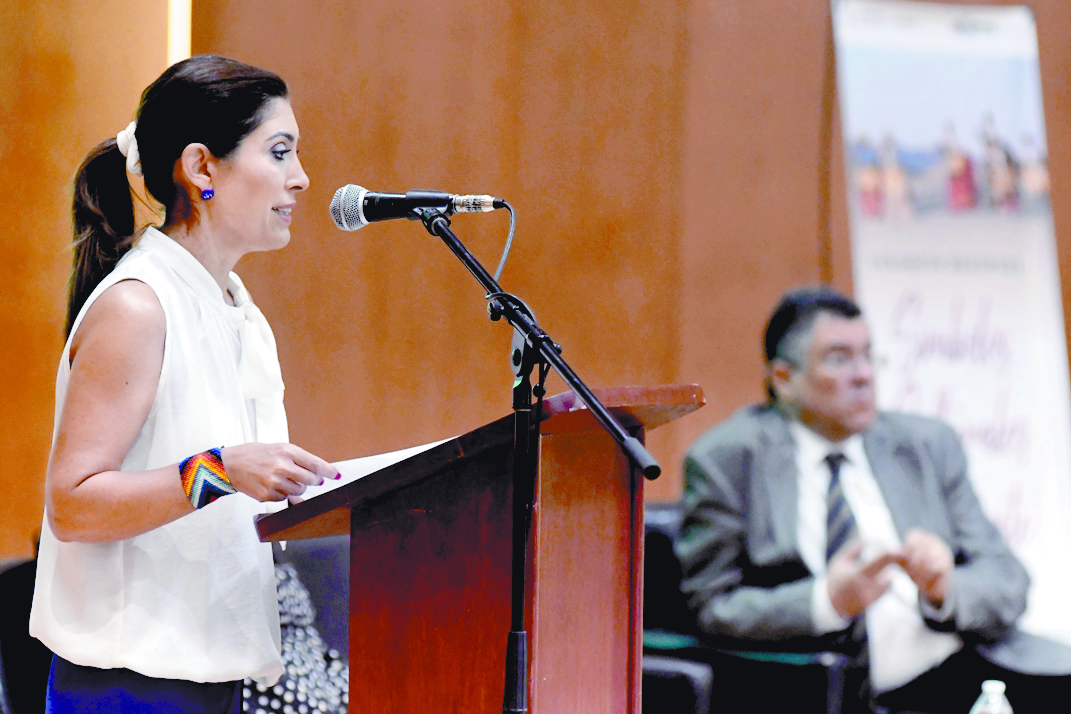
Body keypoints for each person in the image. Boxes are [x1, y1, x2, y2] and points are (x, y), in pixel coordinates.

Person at [29, 55, 340, 714]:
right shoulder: (139, 305)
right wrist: (220, 470)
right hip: (128, 686)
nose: (301, 177)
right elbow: (73, 505)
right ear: (201, 168)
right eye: (278, 152)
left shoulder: (232, 304)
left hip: (210, 676)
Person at [675, 286, 1071, 714]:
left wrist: (944, 589)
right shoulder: (728, 460)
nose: (864, 374)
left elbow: (1007, 580)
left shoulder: (925, 445)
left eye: (868, 355)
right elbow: (712, 607)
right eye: (839, 359)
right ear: (785, 379)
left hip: (955, 672)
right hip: (817, 691)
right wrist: (826, 602)